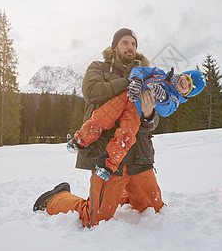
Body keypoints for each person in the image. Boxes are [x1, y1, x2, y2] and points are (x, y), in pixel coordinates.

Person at [33, 28, 161, 227]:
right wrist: (129, 83)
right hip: (107, 158)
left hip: (140, 156)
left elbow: (153, 123)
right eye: (125, 43)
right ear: (114, 46)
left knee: (154, 211)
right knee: (95, 218)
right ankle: (55, 198)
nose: (130, 47)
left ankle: (118, 194)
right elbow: (91, 92)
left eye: (134, 44)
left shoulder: (148, 75)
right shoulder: (98, 68)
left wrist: (148, 113)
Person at [66, 66, 206, 182]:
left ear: (187, 93)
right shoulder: (160, 73)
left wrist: (163, 97)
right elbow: (140, 70)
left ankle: (107, 165)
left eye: (189, 86)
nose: (185, 83)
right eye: (186, 79)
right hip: (126, 96)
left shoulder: (174, 99)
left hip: (136, 112)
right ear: (183, 75)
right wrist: (137, 80)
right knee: (102, 116)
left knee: (125, 137)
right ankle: (80, 140)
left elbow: (166, 110)